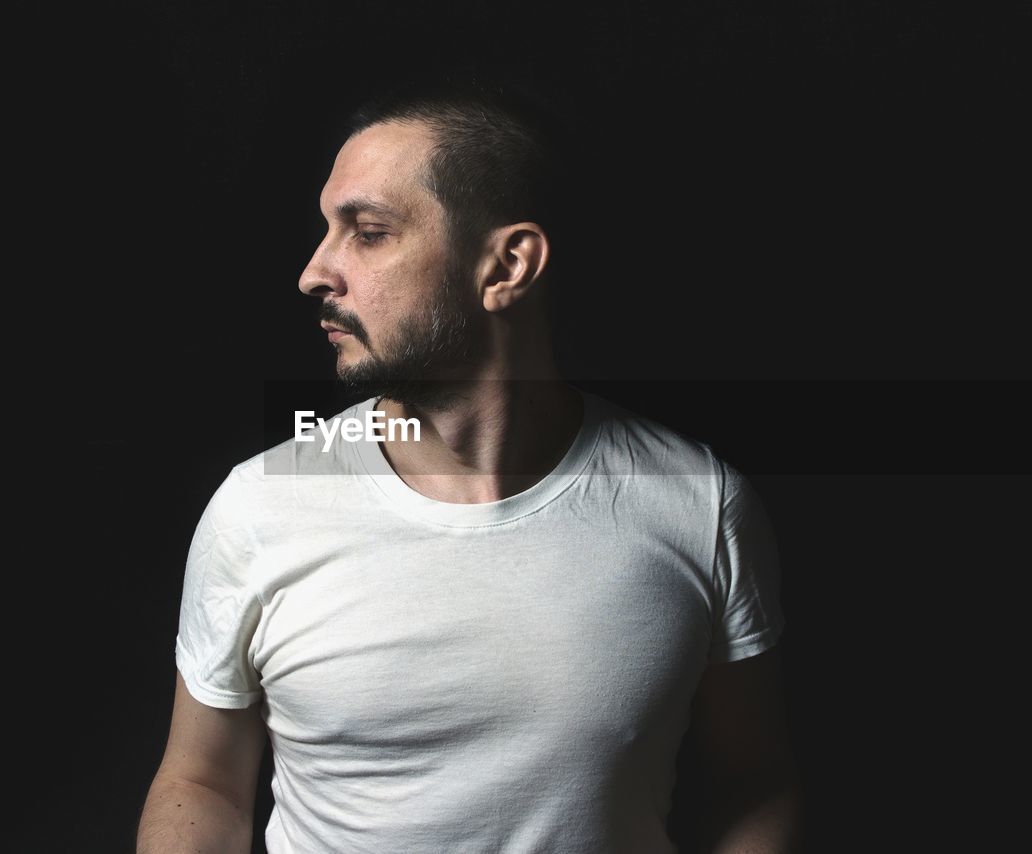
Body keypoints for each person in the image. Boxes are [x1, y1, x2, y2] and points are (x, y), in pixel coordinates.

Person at [137, 74, 803, 854]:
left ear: (507, 267)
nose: (314, 272)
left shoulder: (699, 501)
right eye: (326, 229)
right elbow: (201, 783)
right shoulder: (258, 506)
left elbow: (754, 780)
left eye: (369, 232)